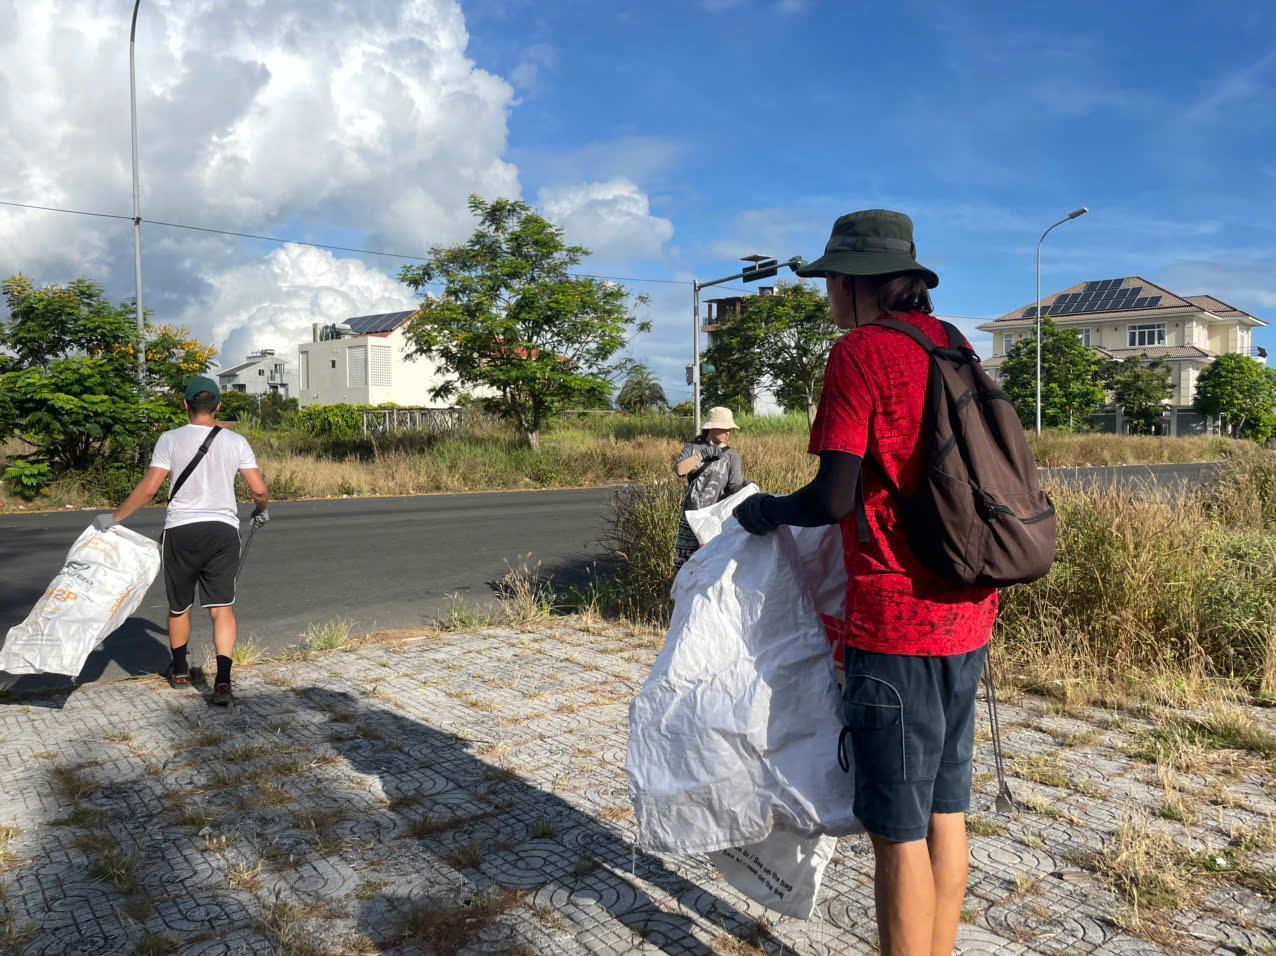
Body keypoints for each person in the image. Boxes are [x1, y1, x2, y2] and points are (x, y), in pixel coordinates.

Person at [733, 210, 997, 956]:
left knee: (898, 833)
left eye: (830, 283)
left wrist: (764, 510)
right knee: (946, 810)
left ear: (852, 283)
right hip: (970, 609)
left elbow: (833, 498)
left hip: (898, 623)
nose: (827, 296)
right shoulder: (953, 344)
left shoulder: (861, 352)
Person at [92, 376, 269, 706]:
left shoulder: (170, 439)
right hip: (222, 531)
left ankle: (181, 672)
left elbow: (150, 488)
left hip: (181, 531)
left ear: (185, 405)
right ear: (218, 406)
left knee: (179, 607)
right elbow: (259, 489)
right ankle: (223, 681)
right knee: (222, 609)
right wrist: (261, 510)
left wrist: (115, 518)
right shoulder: (236, 441)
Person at [671, 406, 746, 568]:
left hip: (715, 518)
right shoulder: (693, 447)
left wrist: (747, 489)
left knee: (711, 565)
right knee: (686, 566)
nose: (728, 433)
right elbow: (680, 470)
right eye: (724, 428)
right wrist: (702, 455)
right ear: (711, 428)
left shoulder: (731, 454)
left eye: (729, 429)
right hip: (691, 515)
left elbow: (736, 488)